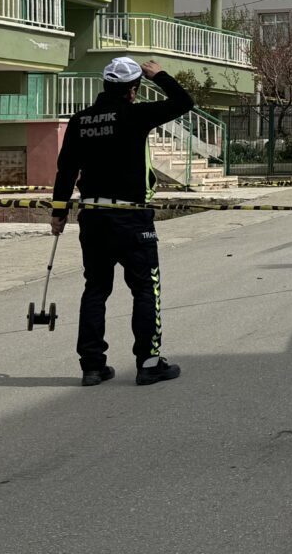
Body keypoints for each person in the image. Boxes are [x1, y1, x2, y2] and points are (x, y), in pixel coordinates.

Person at [50, 57, 194, 387]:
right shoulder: (135, 114)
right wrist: (159, 75)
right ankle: (148, 362)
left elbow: (66, 172)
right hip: (132, 218)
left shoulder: (80, 121)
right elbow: (184, 102)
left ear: (105, 85)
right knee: (145, 288)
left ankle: (92, 366)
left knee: (96, 289)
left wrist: (58, 214)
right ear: (133, 90)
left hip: (93, 218)